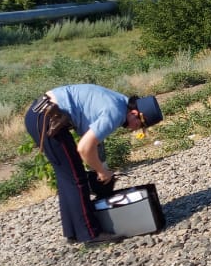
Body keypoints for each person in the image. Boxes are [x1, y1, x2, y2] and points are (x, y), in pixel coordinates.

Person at [25, 85, 163, 244]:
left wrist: (100, 168)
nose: (135, 129)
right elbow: (84, 148)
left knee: (67, 176)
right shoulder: (116, 112)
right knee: (77, 179)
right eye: (139, 124)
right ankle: (90, 234)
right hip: (47, 118)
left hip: (40, 114)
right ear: (134, 113)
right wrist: (101, 172)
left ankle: (72, 233)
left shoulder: (118, 102)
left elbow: (94, 141)